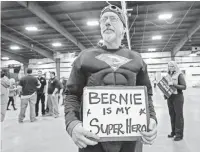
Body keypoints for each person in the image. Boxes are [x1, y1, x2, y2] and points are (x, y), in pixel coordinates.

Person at [64, 5, 157, 152]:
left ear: (124, 29)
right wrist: (72, 124)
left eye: (113, 19)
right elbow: (71, 95)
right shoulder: (84, 57)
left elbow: (148, 96)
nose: (107, 22)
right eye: (103, 20)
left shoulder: (137, 59)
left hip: (130, 140)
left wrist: (152, 119)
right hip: (92, 140)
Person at [166, 61, 186, 141]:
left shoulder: (179, 75)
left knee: (178, 116)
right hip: (170, 97)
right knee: (172, 115)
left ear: (175, 66)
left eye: (172, 66)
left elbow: (184, 86)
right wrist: (165, 93)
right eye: (169, 66)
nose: (170, 68)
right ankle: (173, 132)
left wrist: (174, 85)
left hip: (178, 97)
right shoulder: (168, 75)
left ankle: (179, 135)